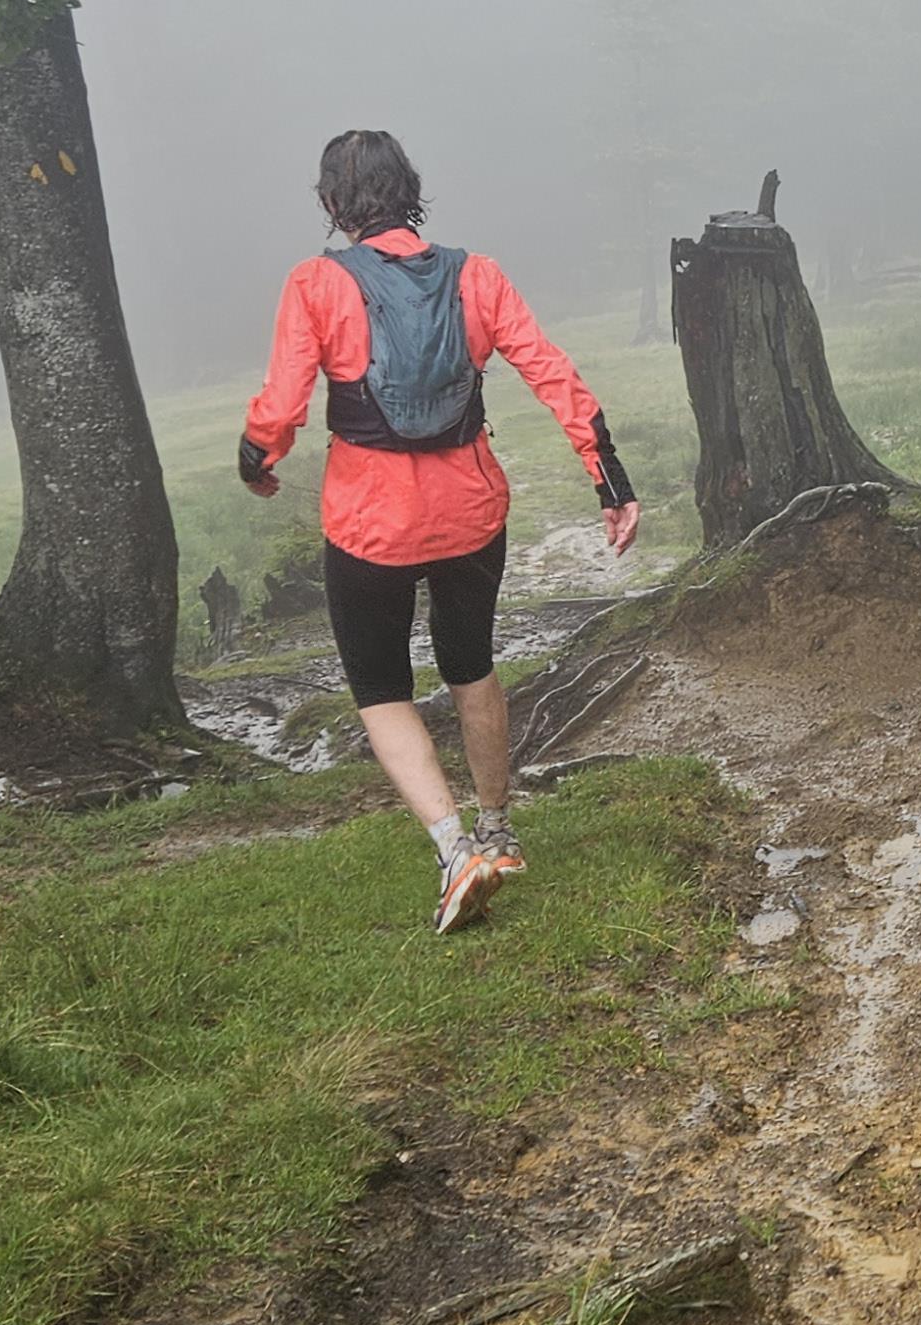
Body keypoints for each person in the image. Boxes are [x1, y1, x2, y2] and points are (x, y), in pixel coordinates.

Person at [240, 129, 641, 932]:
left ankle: (457, 850)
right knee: (470, 664)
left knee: (381, 688)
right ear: (410, 190)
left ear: (330, 204)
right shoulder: (477, 276)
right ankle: (499, 828)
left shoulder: (316, 284)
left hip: (369, 525)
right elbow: (550, 369)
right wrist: (609, 479)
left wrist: (258, 459)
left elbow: (280, 407)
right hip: (470, 510)